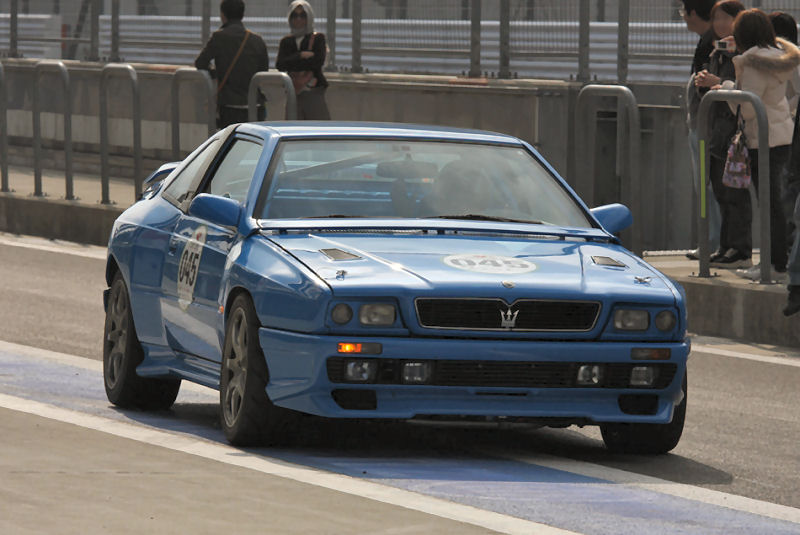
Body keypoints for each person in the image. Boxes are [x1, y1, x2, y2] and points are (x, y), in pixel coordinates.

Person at [716, 9, 800, 281]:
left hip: (762, 139)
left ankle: (774, 264)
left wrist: (727, 86)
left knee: (770, 205)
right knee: (778, 204)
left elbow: (747, 108)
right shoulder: (778, 58)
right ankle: (779, 261)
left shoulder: (752, 63)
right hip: (782, 135)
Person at [695, 0, 749, 268]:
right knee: (720, 191)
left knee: (734, 192)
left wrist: (717, 84)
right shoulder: (717, 51)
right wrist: (703, 83)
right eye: (716, 18)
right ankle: (726, 246)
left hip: (735, 132)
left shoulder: (742, 53)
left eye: (726, 18)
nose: (720, 24)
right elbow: (711, 93)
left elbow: (741, 91)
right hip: (717, 131)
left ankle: (740, 248)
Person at [681, 0, 722, 261]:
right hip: (705, 126)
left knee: (707, 187)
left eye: (683, 12)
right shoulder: (709, 39)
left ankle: (711, 241)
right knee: (709, 187)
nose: (683, 17)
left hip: (706, 127)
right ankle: (714, 241)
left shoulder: (710, 41)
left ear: (693, 12)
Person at [195, 0, 269, 128]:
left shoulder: (219, 37)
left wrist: (215, 73)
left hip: (229, 106)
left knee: (231, 143)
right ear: (242, 14)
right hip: (254, 105)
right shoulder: (257, 40)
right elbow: (263, 71)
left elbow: (200, 62)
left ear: (223, 15)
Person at [276, 1, 331, 120]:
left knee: (317, 129)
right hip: (293, 92)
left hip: (313, 91)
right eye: (294, 16)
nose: (298, 19)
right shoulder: (286, 41)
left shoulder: (317, 38)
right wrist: (300, 55)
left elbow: (317, 62)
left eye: (303, 16)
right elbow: (281, 64)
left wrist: (292, 62)